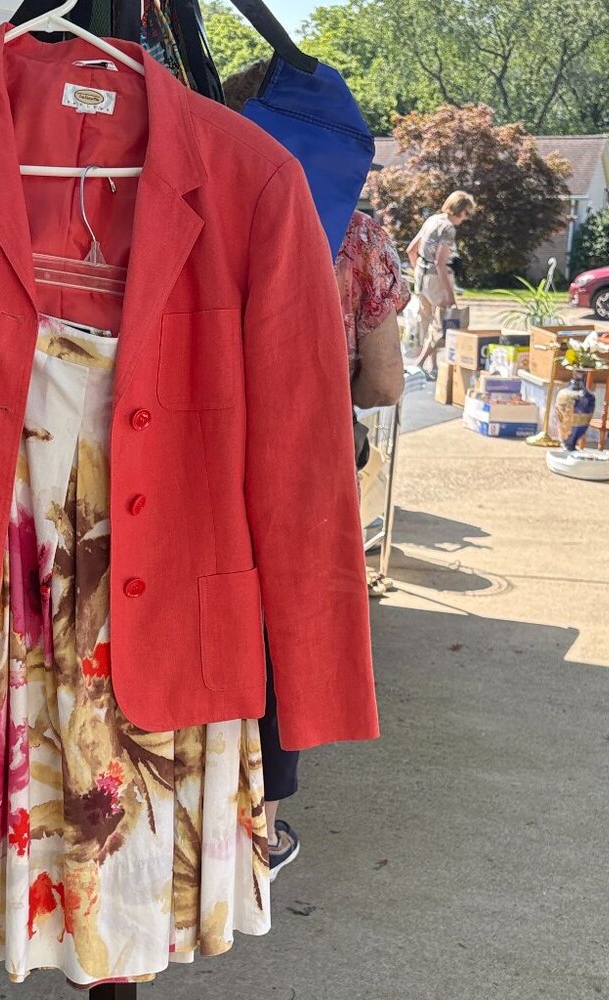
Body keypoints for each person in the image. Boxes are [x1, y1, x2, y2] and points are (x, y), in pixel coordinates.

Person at [223, 61, 411, 881]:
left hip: (200, 447)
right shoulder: (359, 234)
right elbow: (385, 382)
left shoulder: (195, 196)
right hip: (310, 457)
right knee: (285, 624)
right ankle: (260, 821)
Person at [406, 191, 477, 375]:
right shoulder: (448, 228)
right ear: (460, 210)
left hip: (421, 277)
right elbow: (440, 262)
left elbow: (411, 250)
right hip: (437, 278)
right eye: (466, 213)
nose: (466, 218)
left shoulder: (432, 220)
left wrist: (418, 272)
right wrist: (450, 294)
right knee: (442, 323)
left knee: (427, 321)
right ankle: (420, 363)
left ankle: (433, 365)